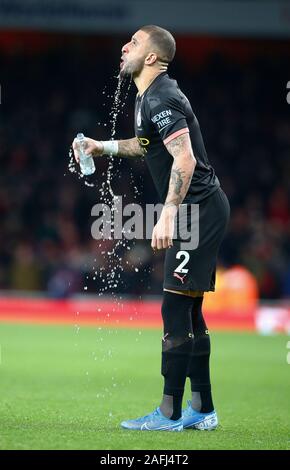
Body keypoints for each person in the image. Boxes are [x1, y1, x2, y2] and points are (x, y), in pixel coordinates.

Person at [73, 25, 230, 432]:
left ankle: (169, 415)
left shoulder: (161, 96)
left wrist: (167, 214)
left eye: (135, 42)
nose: (125, 45)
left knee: (174, 308)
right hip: (199, 209)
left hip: (196, 211)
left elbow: (185, 160)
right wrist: (100, 146)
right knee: (190, 311)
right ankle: (202, 408)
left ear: (152, 57)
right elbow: (146, 145)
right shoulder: (149, 98)